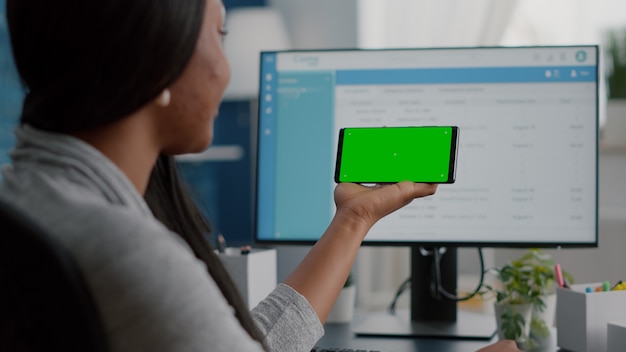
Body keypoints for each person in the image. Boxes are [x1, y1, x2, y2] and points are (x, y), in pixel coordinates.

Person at [0, 0, 521, 351]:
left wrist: (354, 219)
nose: (226, 69)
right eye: (220, 34)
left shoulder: (30, 202)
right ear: (157, 55)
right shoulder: (129, 255)